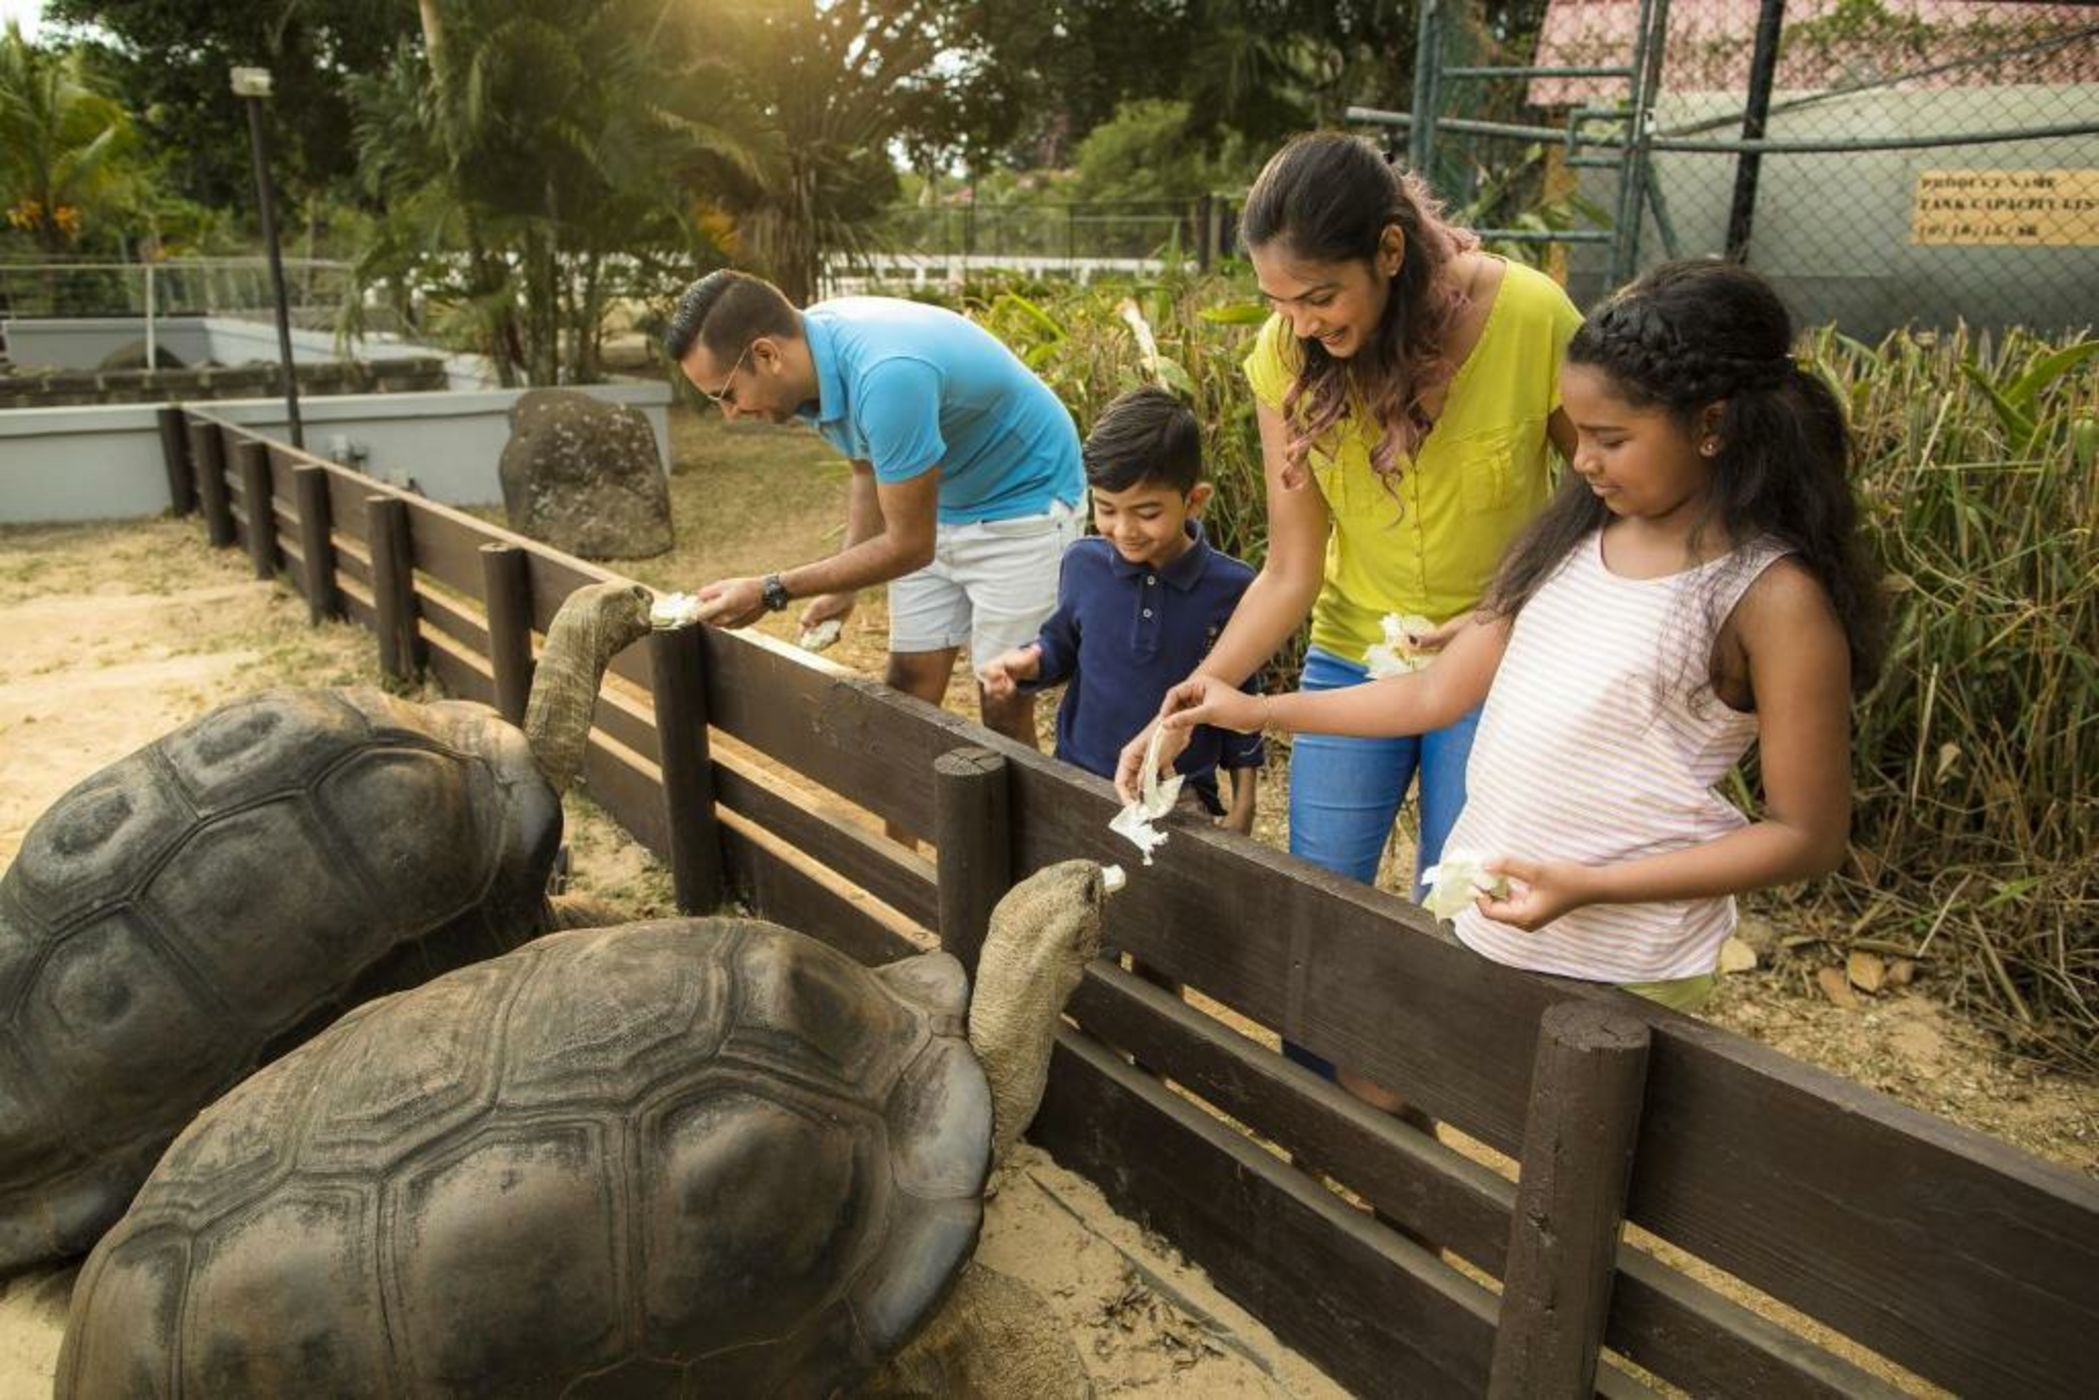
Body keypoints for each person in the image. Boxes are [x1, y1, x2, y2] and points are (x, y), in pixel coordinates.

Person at [1153, 258, 1886, 1010]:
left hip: (1624, 965)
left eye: (1610, 438)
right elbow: (1432, 695)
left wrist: (1590, 886)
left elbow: (1806, 836)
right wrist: (1253, 710)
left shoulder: (1772, 599)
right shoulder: (1573, 539)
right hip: (1495, 928)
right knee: (1411, 1060)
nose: (1582, 459)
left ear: (1711, 426)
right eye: (1581, 432)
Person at [1115, 131, 1581, 1099]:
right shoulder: (1282, 356)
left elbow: (1602, 499)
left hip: (1501, 664)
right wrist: (1194, 698)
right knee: (1315, 907)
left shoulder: (1531, 316)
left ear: (1390, 250)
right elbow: (1292, 568)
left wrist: (1512, 606)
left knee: (1455, 912)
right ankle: (1316, 1123)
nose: (1300, 324)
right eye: (1279, 301)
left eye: (1319, 296)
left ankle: (1413, 1131)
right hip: (1349, 654)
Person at [666, 270, 1084, 748]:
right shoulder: (808, 368)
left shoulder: (886, 375)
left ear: (767, 354)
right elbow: (866, 469)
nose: (730, 413)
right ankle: (906, 802)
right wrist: (844, 586)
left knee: (1002, 702)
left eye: (727, 394)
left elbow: (910, 546)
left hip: (1025, 503)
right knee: (908, 688)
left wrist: (772, 590)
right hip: (942, 502)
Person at [979, 386, 1264, 836]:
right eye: (1106, 509)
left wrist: (1244, 802)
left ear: (1194, 500)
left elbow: (1241, 694)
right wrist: (1029, 661)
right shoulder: (1082, 563)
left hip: (1178, 792)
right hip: (1079, 776)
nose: (1124, 529)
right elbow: (1062, 646)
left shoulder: (1233, 587)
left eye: (1146, 513)